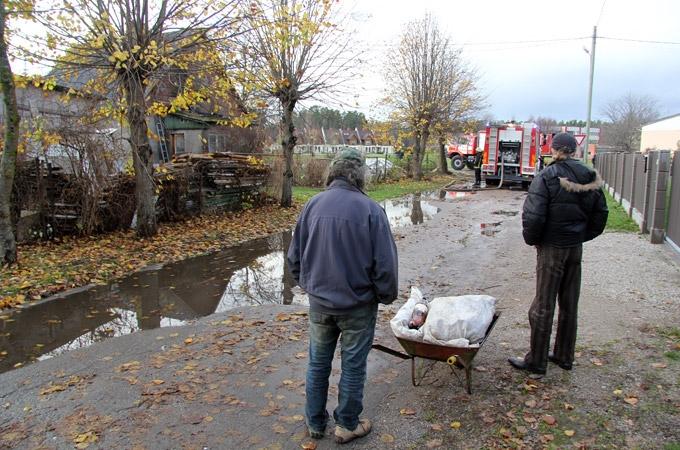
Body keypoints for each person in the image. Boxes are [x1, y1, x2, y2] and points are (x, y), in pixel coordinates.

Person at [287, 148, 399, 444]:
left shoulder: (312, 205)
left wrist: (309, 286)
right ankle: (347, 424)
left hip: (320, 305)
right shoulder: (372, 211)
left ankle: (314, 422)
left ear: (332, 172)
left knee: (317, 363)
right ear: (360, 174)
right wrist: (384, 296)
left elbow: (293, 258)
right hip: (358, 307)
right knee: (353, 365)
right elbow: (385, 267)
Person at [508, 132, 608, 376]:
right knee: (569, 303)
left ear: (554, 150)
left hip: (552, 248)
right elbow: (601, 213)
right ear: (574, 150)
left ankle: (537, 362)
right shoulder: (589, 175)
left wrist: (533, 241)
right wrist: (582, 236)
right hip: (575, 248)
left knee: (543, 305)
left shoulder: (547, 176)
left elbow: (533, 216)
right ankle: (564, 356)